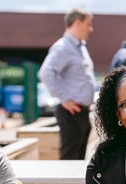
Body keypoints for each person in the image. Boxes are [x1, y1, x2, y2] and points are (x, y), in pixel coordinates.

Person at [39, 8, 96, 165]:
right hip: (71, 113)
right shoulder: (63, 47)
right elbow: (46, 73)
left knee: (77, 163)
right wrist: (64, 99)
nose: (90, 29)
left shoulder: (79, 47)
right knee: (69, 163)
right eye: (88, 24)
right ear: (78, 22)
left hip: (81, 113)